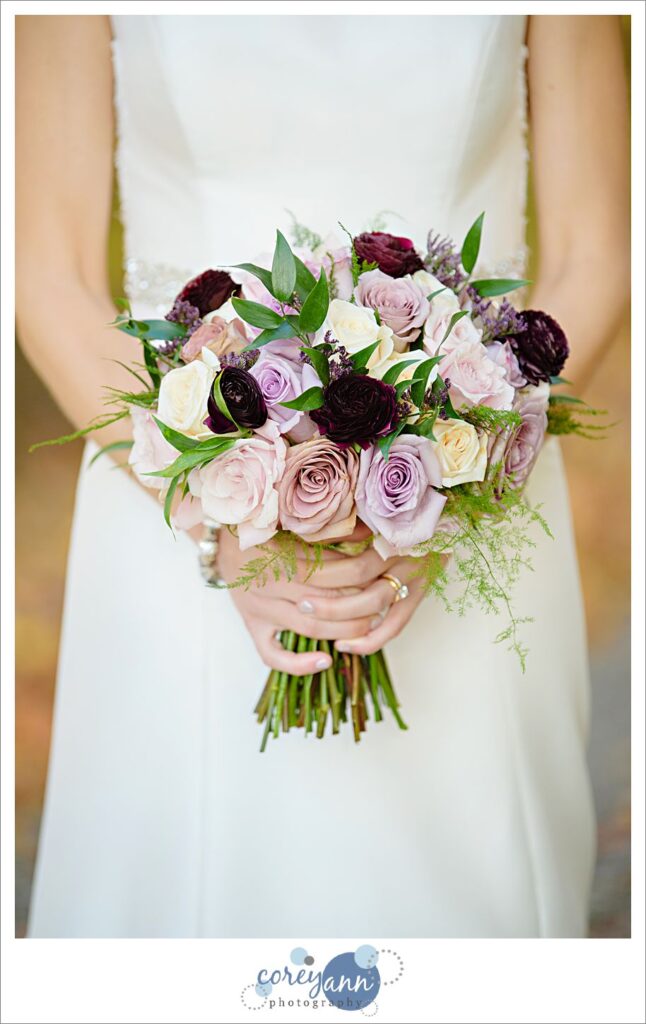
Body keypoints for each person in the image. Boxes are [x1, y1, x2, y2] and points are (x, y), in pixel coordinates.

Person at [17, 14, 629, 937]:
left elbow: (596, 254)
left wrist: (451, 494)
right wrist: (215, 515)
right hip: (165, 502)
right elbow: (48, 273)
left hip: (477, 509)